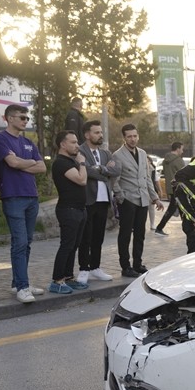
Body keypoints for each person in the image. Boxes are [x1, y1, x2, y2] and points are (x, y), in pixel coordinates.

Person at [0, 103, 46, 303]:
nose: (25, 121)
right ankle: (23, 288)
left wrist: (22, 163)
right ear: (9, 118)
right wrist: (26, 162)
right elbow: (11, 163)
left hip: (31, 195)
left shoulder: (28, 142)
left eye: (27, 118)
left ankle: (19, 282)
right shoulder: (0, 138)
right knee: (20, 242)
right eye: (22, 117)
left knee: (28, 243)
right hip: (13, 196)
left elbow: (41, 167)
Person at [111, 123, 162, 277]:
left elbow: (147, 178)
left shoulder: (142, 153)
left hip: (143, 200)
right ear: (124, 138)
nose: (133, 139)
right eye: (129, 136)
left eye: (135, 136)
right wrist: (121, 198)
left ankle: (138, 264)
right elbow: (114, 180)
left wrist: (155, 197)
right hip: (128, 200)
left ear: (138, 136)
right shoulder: (117, 155)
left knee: (140, 234)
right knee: (125, 234)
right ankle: (125, 266)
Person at [76, 120, 117, 284]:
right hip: (88, 199)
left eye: (100, 132)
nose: (100, 135)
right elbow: (86, 171)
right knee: (85, 237)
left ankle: (95, 267)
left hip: (103, 199)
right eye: (96, 132)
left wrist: (100, 169)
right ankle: (84, 269)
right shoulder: (80, 150)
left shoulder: (106, 153)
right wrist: (104, 171)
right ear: (87, 135)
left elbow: (116, 170)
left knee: (98, 237)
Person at [48, 130, 89, 294]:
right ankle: (57, 281)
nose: (77, 146)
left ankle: (67, 277)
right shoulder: (61, 163)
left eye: (77, 142)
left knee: (74, 245)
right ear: (62, 144)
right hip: (68, 210)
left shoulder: (70, 161)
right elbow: (82, 180)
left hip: (79, 209)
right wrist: (82, 163)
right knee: (66, 245)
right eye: (73, 142)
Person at [153, 141, 185, 235]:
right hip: (178, 187)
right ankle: (159, 228)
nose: (182, 151)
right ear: (178, 148)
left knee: (176, 208)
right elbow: (184, 173)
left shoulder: (165, 160)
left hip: (170, 187)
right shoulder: (178, 160)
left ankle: (160, 228)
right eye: (182, 149)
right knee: (178, 208)